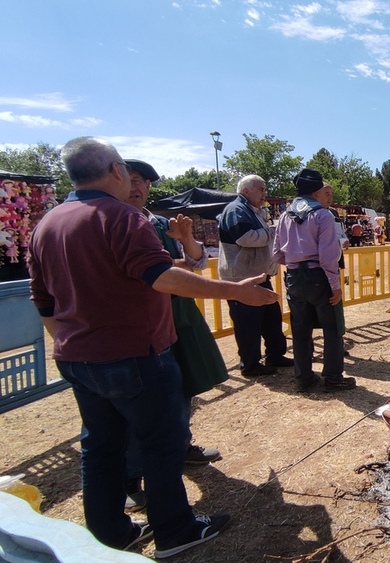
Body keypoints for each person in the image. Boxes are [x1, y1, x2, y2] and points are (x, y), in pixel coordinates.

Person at [27, 137, 279, 557]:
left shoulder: (47, 223)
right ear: (115, 171)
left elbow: (43, 301)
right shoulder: (121, 218)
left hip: (77, 358)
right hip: (137, 356)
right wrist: (233, 291)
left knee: (101, 448)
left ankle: (111, 533)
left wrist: (71, 343)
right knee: (161, 445)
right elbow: (162, 277)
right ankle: (175, 531)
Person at [119, 159, 226, 511]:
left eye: (144, 183)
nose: (138, 188)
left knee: (182, 383)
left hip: (177, 315)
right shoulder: (113, 223)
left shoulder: (161, 223)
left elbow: (196, 262)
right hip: (139, 325)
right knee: (140, 405)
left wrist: (188, 239)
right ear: (117, 181)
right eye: (132, 180)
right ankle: (131, 477)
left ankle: (181, 446)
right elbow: (156, 273)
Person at [273, 170, 357, 393]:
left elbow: (277, 253)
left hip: (293, 277)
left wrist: (294, 262)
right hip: (318, 276)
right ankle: (333, 377)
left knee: (300, 330)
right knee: (332, 329)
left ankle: (304, 378)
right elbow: (328, 257)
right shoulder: (323, 215)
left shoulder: (284, 216)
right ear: (318, 190)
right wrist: (335, 286)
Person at [217, 175, 293, 376]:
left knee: (271, 318)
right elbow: (245, 238)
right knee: (248, 324)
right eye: (260, 189)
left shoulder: (253, 210)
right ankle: (250, 365)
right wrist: (272, 232)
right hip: (240, 280)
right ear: (245, 191)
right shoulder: (235, 210)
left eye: (264, 189)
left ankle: (275, 356)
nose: (264, 193)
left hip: (258, 276)